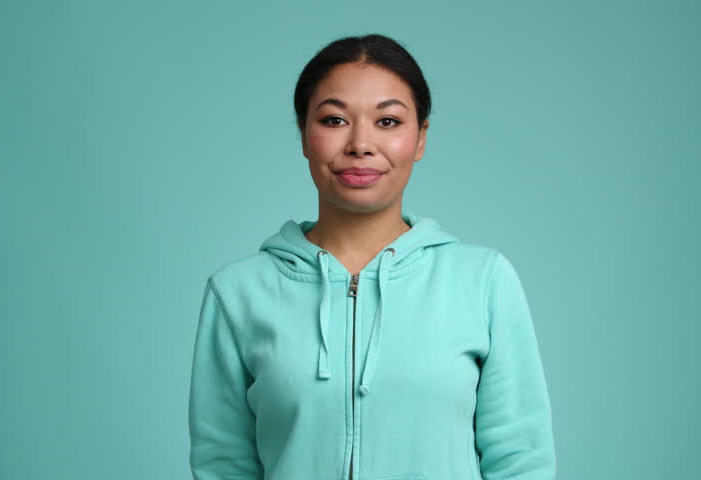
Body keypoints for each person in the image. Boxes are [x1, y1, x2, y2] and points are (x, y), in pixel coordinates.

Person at [189, 33, 556, 480]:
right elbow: (222, 465)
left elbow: (521, 461)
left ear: (420, 139)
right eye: (335, 120)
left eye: (387, 121)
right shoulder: (237, 293)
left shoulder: (482, 281)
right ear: (304, 135)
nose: (360, 143)